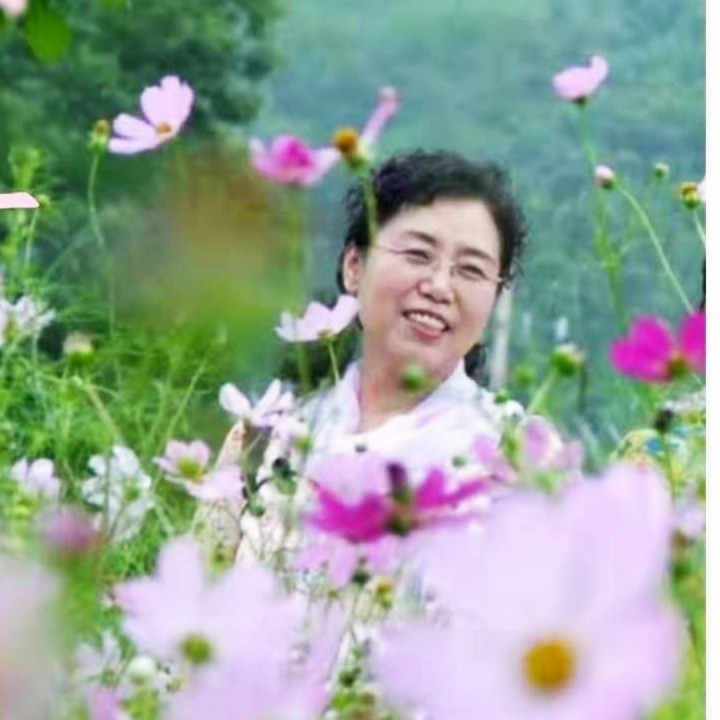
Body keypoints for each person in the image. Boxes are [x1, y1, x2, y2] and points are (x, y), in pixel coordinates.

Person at [194, 149, 528, 567]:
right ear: (354, 266)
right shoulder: (267, 438)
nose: (440, 287)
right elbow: (199, 591)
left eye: (471, 270)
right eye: (418, 254)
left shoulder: (515, 457)